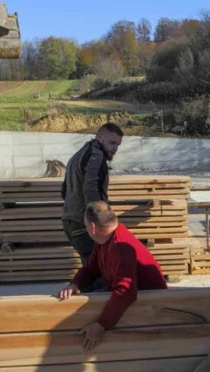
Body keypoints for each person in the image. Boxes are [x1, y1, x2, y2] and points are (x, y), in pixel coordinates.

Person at [57, 201, 168, 350]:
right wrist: (75, 283)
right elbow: (91, 267)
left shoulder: (120, 247)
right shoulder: (104, 238)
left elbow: (125, 292)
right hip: (131, 293)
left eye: (85, 225)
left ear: (92, 227)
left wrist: (100, 325)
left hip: (153, 306)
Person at [61, 123, 124, 265]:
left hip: (70, 220)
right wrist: (98, 219)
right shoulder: (96, 155)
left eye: (118, 145)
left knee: (91, 268)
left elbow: (64, 190)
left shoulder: (78, 155)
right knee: (99, 270)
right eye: (112, 142)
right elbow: (90, 186)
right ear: (100, 137)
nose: (115, 148)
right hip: (85, 224)